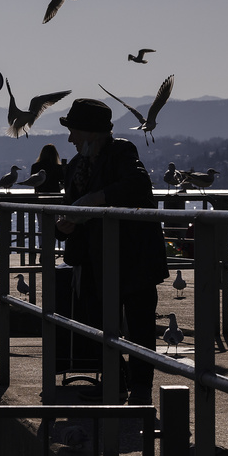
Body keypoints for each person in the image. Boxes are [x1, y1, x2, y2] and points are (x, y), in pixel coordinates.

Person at [54, 97, 169, 405]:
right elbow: (71, 209)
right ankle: (114, 382)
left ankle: (141, 388)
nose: (70, 139)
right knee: (97, 324)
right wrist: (64, 225)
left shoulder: (122, 152)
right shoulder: (76, 165)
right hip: (93, 258)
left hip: (133, 257)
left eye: (74, 131)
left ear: (91, 133)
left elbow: (137, 185)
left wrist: (97, 198)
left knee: (140, 324)